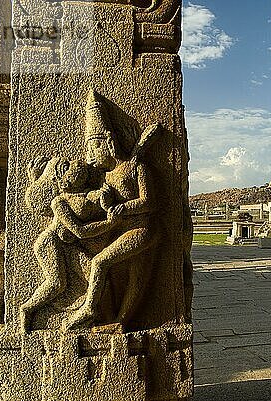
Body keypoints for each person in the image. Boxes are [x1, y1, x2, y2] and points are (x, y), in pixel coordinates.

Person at [64, 91, 162, 330]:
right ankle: (120, 322)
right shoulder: (106, 176)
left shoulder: (137, 167)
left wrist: (123, 208)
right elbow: (102, 204)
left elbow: (149, 201)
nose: (90, 156)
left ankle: (89, 308)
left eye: (93, 148)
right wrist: (106, 204)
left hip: (142, 229)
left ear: (108, 142)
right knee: (135, 278)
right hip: (122, 229)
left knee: (100, 263)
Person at [19, 157, 119, 332]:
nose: (75, 165)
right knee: (57, 283)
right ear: (61, 180)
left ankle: (103, 319)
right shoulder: (59, 202)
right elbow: (79, 231)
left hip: (69, 246)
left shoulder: (85, 193)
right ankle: (27, 309)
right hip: (50, 243)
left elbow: (96, 199)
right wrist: (110, 223)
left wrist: (105, 197)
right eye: (66, 167)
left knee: (95, 277)